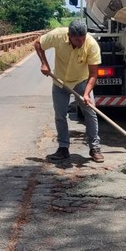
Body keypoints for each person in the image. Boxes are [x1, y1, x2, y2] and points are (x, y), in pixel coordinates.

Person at [33, 20, 104, 162]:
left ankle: (94, 148)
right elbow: (37, 43)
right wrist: (44, 63)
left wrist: (86, 94)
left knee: (90, 112)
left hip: (81, 81)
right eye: (77, 39)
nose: (81, 41)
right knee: (60, 115)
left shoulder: (91, 45)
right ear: (69, 36)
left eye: (83, 38)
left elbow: (94, 74)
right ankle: (63, 148)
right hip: (60, 82)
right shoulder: (58, 35)